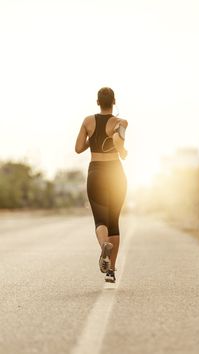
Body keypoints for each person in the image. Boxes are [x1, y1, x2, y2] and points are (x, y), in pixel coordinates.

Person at [75, 87, 128, 283]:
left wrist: (91, 139)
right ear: (114, 101)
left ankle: (104, 245)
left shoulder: (88, 121)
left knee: (100, 219)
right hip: (115, 173)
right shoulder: (121, 122)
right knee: (114, 222)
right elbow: (118, 140)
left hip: (96, 172)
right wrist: (122, 151)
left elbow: (78, 148)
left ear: (98, 102)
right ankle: (111, 271)